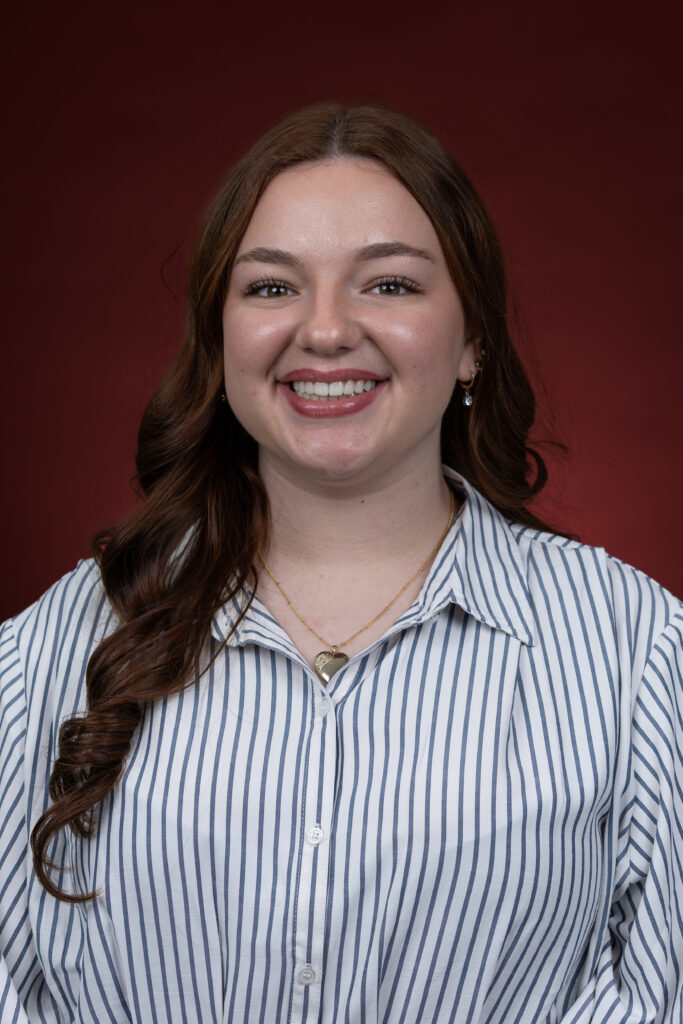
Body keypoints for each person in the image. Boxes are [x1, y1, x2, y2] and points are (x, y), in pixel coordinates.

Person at [0, 102, 681, 1024]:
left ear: (473, 339)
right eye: (272, 288)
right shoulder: (54, 645)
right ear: (220, 338)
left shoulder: (636, 648)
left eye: (388, 286)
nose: (323, 332)